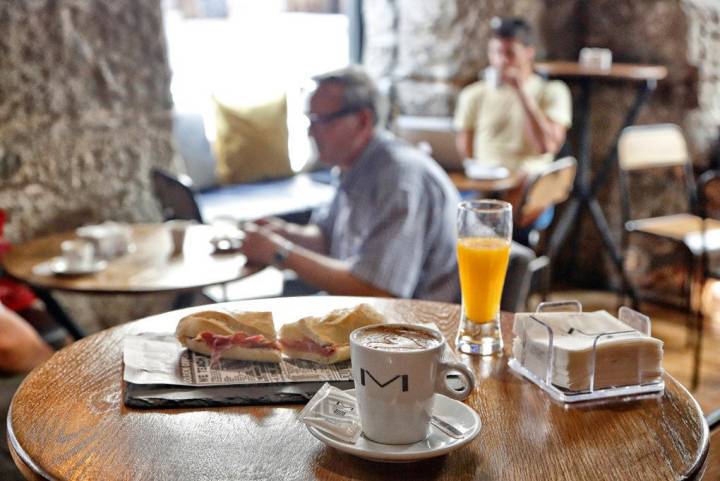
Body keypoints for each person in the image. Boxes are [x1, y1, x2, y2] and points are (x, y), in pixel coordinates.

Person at [240, 66, 536, 311]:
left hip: (413, 331)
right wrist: (279, 233)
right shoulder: (351, 165)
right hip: (365, 318)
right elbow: (329, 239)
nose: (309, 131)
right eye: (309, 120)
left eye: (321, 121)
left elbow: (379, 293)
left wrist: (280, 253)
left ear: (363, 120)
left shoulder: (398, 179)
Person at [454, 16, 572, 174]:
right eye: (496, 52)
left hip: (529, 183)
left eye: (510, 53)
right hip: (486, 180)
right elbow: (465, 151)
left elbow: (546, 146)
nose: (501, 60)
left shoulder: (553, 91)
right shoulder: (473, 94)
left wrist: (521, 92)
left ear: (529, 53)